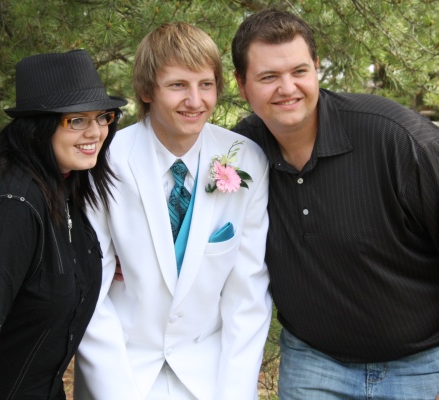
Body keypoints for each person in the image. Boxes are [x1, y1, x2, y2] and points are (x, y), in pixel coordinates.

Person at [231, 8, 439, 400]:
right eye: (268, 77)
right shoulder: (237, 156)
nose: (287, 88)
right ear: (242, 85)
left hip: (423, 365)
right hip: (314, 364)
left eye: (299, 71)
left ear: (317, 68)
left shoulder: (398, 140)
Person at [74, 22, 271, 400]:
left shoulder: (246, 160)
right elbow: (90, 294)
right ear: (147, 90)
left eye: (206, 84)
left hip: (209, 375)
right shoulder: (105, 161)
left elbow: (247, 297)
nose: (195, 100)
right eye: (178, 85)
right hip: (122, 371)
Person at [0, 49, 127, 399]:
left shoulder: (61, 183)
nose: (96, 131)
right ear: (37, 126)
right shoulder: (10, 206)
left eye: (102, 117)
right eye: (76, 120)